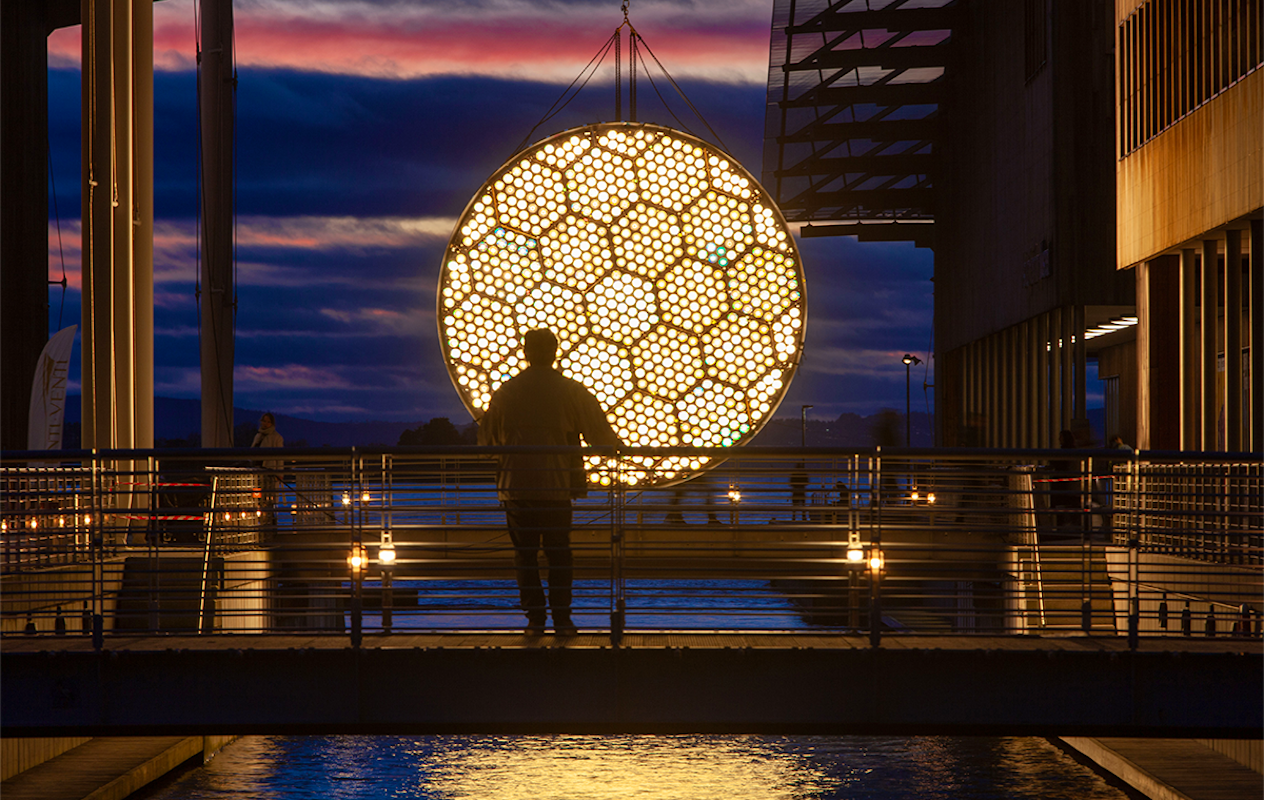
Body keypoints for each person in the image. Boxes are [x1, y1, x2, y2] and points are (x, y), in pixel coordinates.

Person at [478, 329, 621, 636]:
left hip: (515, 486)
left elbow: (486, 441)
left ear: (525, 351)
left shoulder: (506, 392)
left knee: (525, 554)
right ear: (556, 351)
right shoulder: (571, 391)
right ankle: (562, 618)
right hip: (557, 487)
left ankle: (535, 618)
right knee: (559, 552)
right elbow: (601, 437)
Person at [251, 413, 284, 529]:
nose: (265, 423)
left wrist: (279, 473)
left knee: (269, 500)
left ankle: (270, 524)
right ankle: (260, 523)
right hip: (257, 473)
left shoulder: (276, 438)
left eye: (267, 421)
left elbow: (279, 458)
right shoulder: (258, 436)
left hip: (269, 473)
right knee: (257, 499)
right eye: (263, 421)